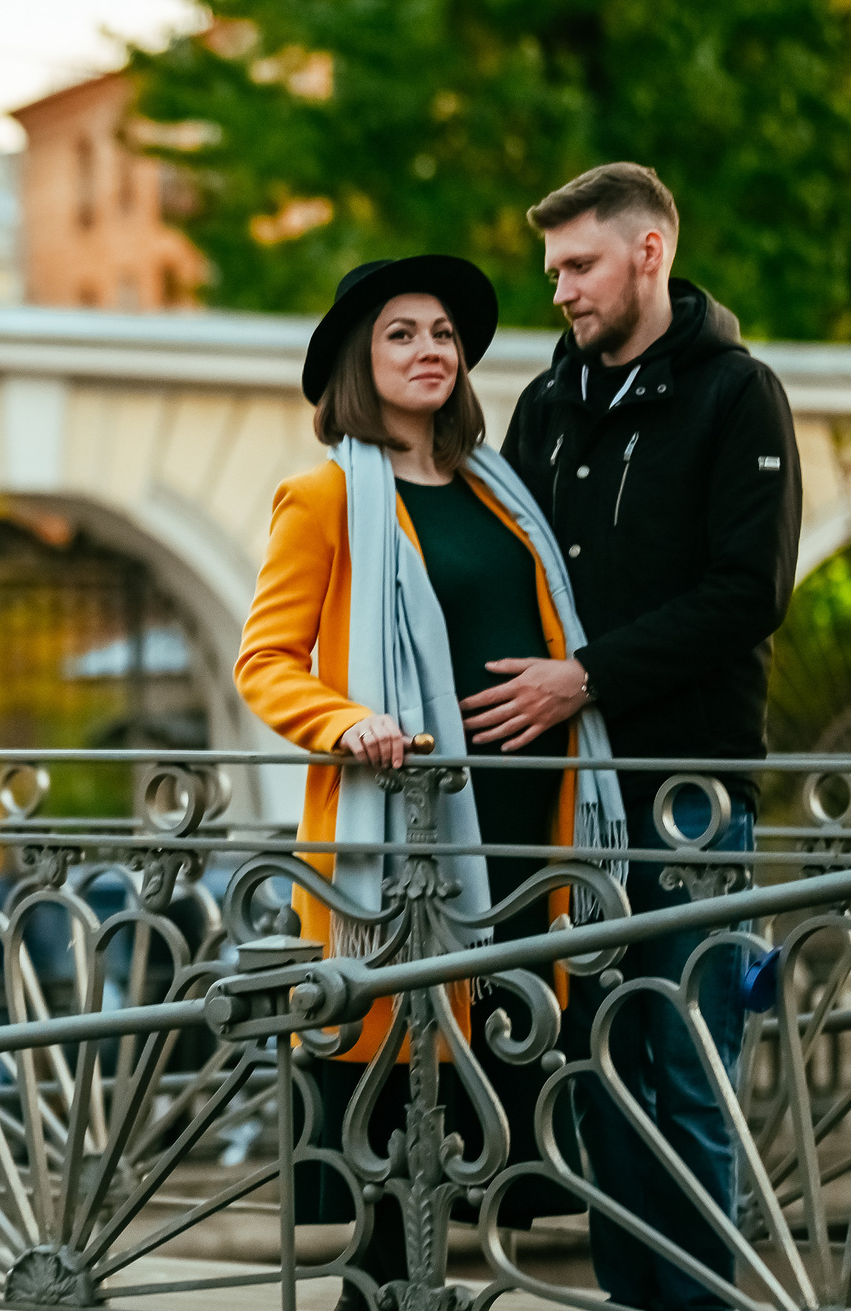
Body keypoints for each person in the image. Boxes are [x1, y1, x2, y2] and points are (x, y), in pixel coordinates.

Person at [234, 255, 628, 1311]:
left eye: (444, 334)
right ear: (362, 365)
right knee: (390, 1133)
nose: (430, 351)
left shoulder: (504, 497)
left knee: (481, 1143)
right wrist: (349, 718)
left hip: (520, 845)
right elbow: (264, 662)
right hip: (402, 848)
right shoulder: (323, 499)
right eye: (402, 334)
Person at [472, 163, 802, 1311]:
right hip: (574, 803)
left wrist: (587, 677)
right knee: (597, 1071)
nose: (559, 289)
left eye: (578, 265)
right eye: (552, 268)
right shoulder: (543, 406)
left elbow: (747, 591)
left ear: (648, 251)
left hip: (692, 798)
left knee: (688, 1067)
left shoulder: (738, 394)